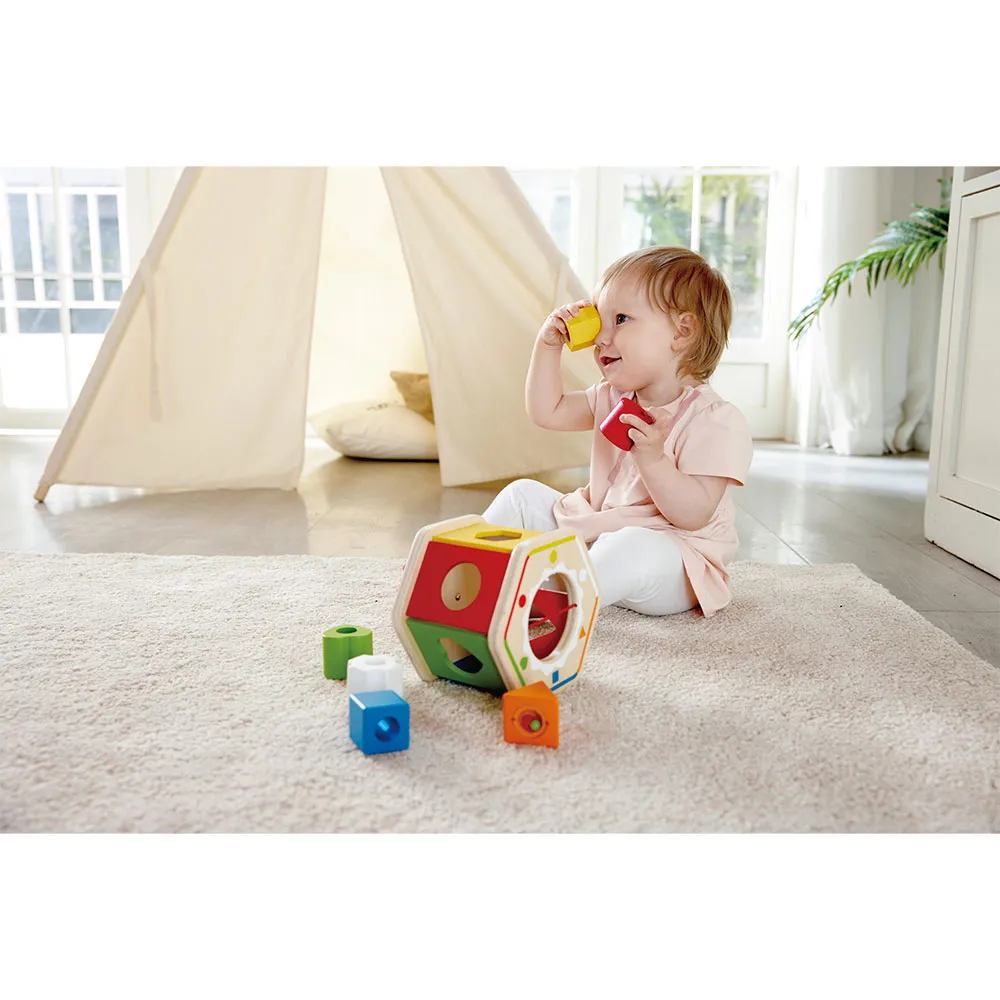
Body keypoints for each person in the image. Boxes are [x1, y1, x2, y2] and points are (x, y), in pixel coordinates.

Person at [483, 246, 753, 618]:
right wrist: (547, 346)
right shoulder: (611, 395)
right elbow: (547, 411)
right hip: (597, 535)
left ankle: (544, 603)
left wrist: (654, 460)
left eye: (621, 319)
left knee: (631, 547)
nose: (600, 338)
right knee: (521, 496)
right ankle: (470, 570)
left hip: (674, 557)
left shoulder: (716, 419)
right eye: (600, 321)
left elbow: (693, 514)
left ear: (682, 331)